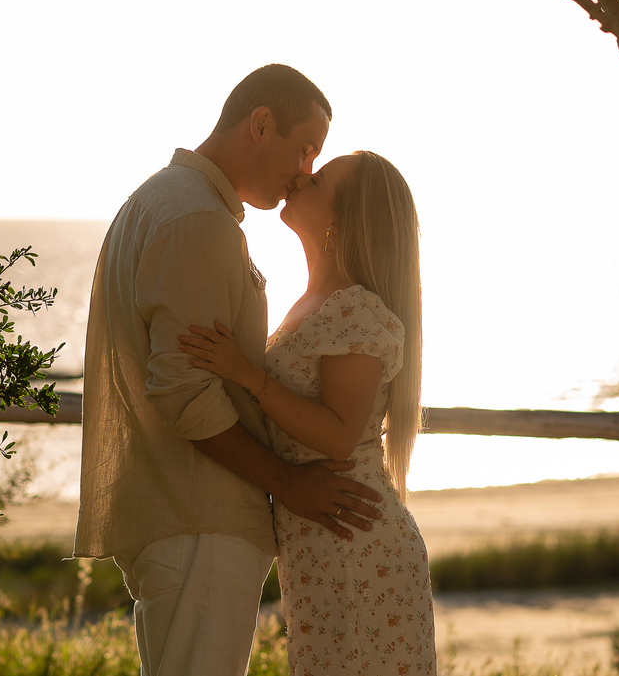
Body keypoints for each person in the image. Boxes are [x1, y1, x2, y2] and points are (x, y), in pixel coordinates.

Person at [73, 64, 385, 676]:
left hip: (186, 521)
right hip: (200, 524)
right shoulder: (197, 219)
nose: (305, 170)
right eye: (305, 148)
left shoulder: (164, 201)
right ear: (261, 124)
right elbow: (186, 394)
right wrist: (287, 482)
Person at [179, 150, 437, 674]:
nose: (300, 178)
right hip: (321, 538)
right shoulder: (315, 301)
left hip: (355, 542)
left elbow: (340, 435)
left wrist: (246, 373)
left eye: (317, 181)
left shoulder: (353, 309)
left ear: (342, 221)